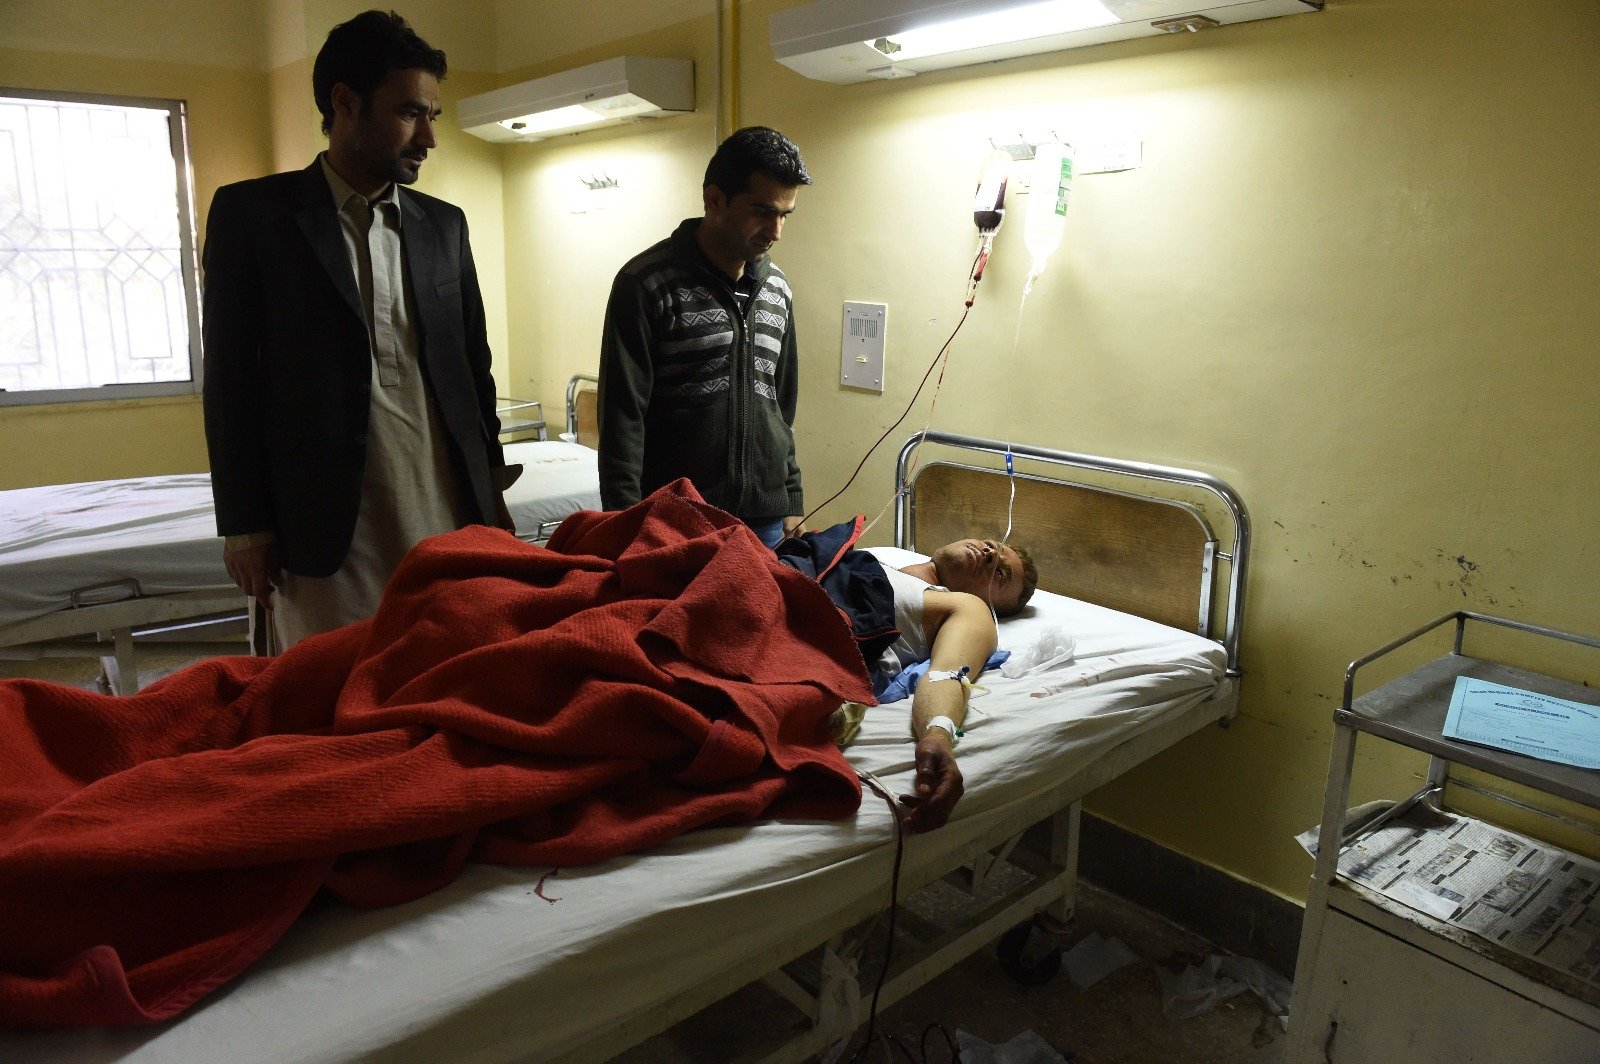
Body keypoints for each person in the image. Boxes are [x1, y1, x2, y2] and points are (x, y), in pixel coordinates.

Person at [201, 10, 517, 649]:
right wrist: (245, 527)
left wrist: (491, 486)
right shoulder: (256, 217)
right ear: (345, 103)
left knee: (445, 668)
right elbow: (230, 382)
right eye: (409, 114)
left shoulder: (443, 226)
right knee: (331, 694)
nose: (429, 137)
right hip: (325, 521)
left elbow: (471, 364)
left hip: (442, 507)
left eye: (433, 115)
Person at [597, 126, 812, 548]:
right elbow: (623, 417)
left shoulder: (777, 289)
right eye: (762, 211)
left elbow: (779, 406)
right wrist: (623, 523)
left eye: (784, 214)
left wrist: (790, 497)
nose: (776, 231)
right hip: (675, 521)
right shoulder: (647, 283)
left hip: (763, 522)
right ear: (715, 200)